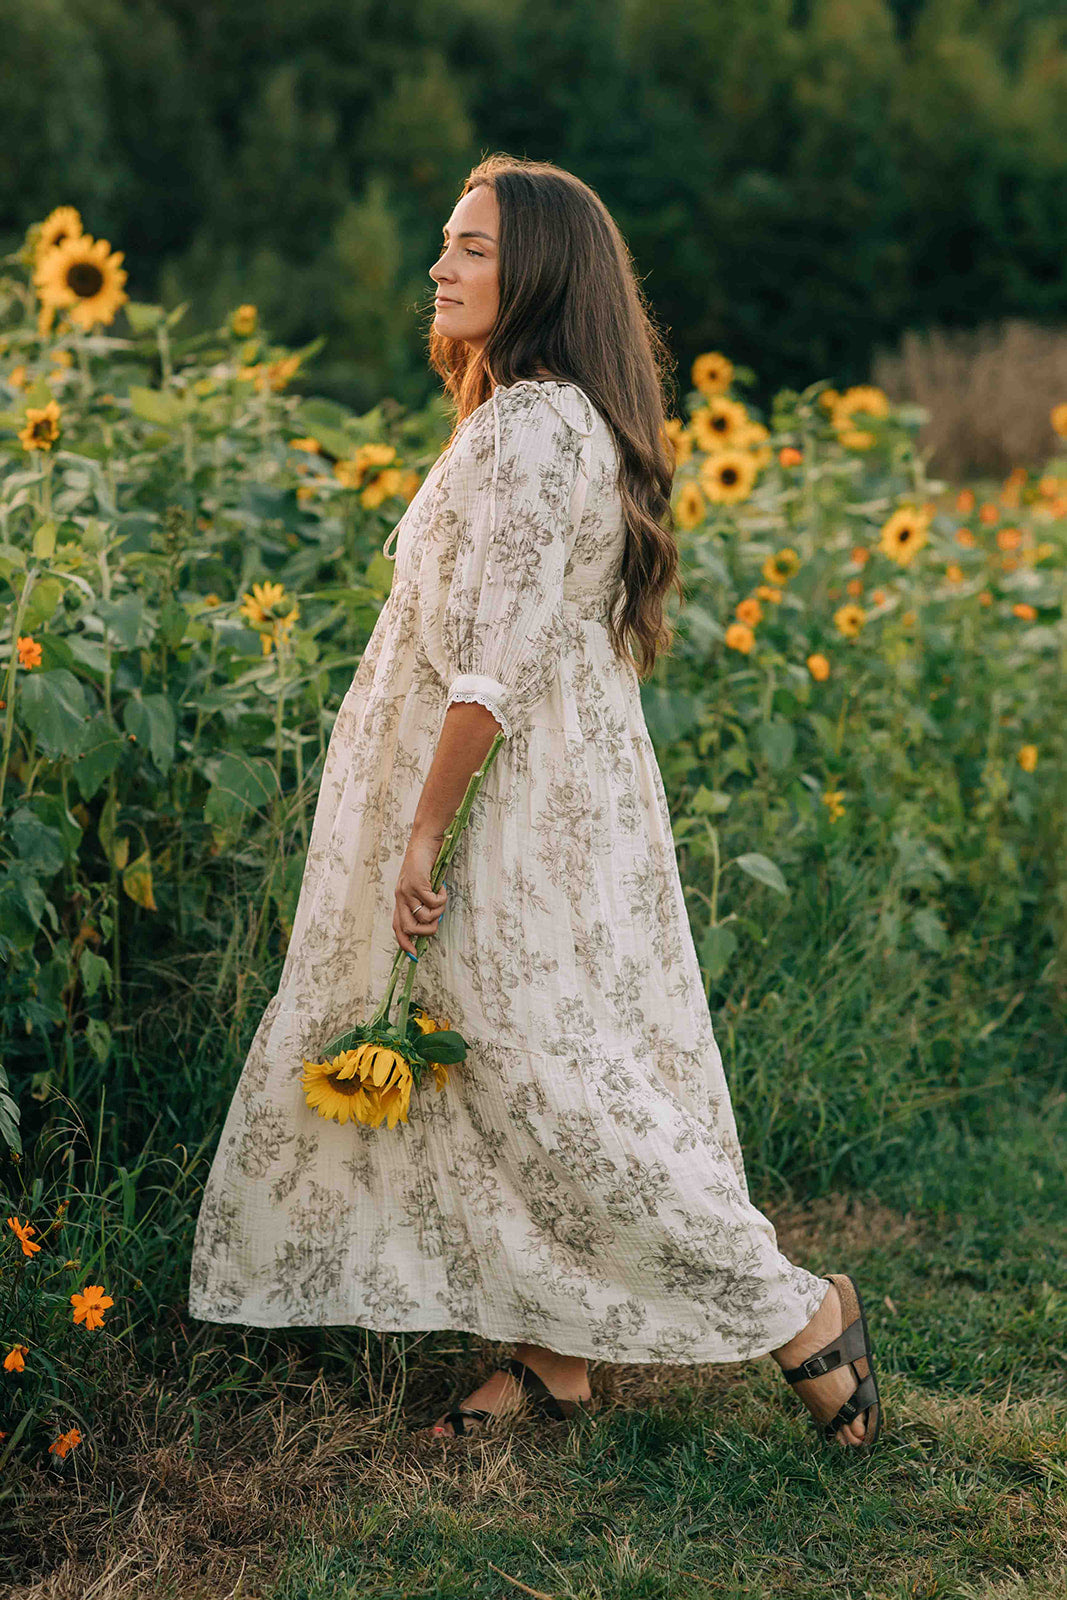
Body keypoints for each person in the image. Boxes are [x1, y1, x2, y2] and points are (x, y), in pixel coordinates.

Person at [187, 155, 882, 1453]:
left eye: (469, 249)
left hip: (506, 812)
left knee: (548, 1082)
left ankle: (795, 1309)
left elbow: (488, 668)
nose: (438, 269)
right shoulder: (558, 418)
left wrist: (418, 833)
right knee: (524, 1070)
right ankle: (552, 1359)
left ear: (540, 275)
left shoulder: (527, 428)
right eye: (446, 245)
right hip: (560, 798)